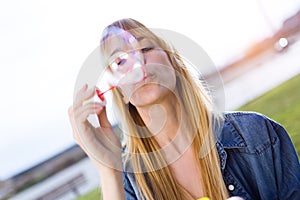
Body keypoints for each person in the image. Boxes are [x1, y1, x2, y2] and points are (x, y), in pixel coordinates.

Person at [68, 18, 300, 200]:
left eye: (146, 49)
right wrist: (109, 171)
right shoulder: (128, 183)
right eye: (119, 62)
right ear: (120, 92)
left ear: (175, 62)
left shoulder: (256, 134)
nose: (137, 63)